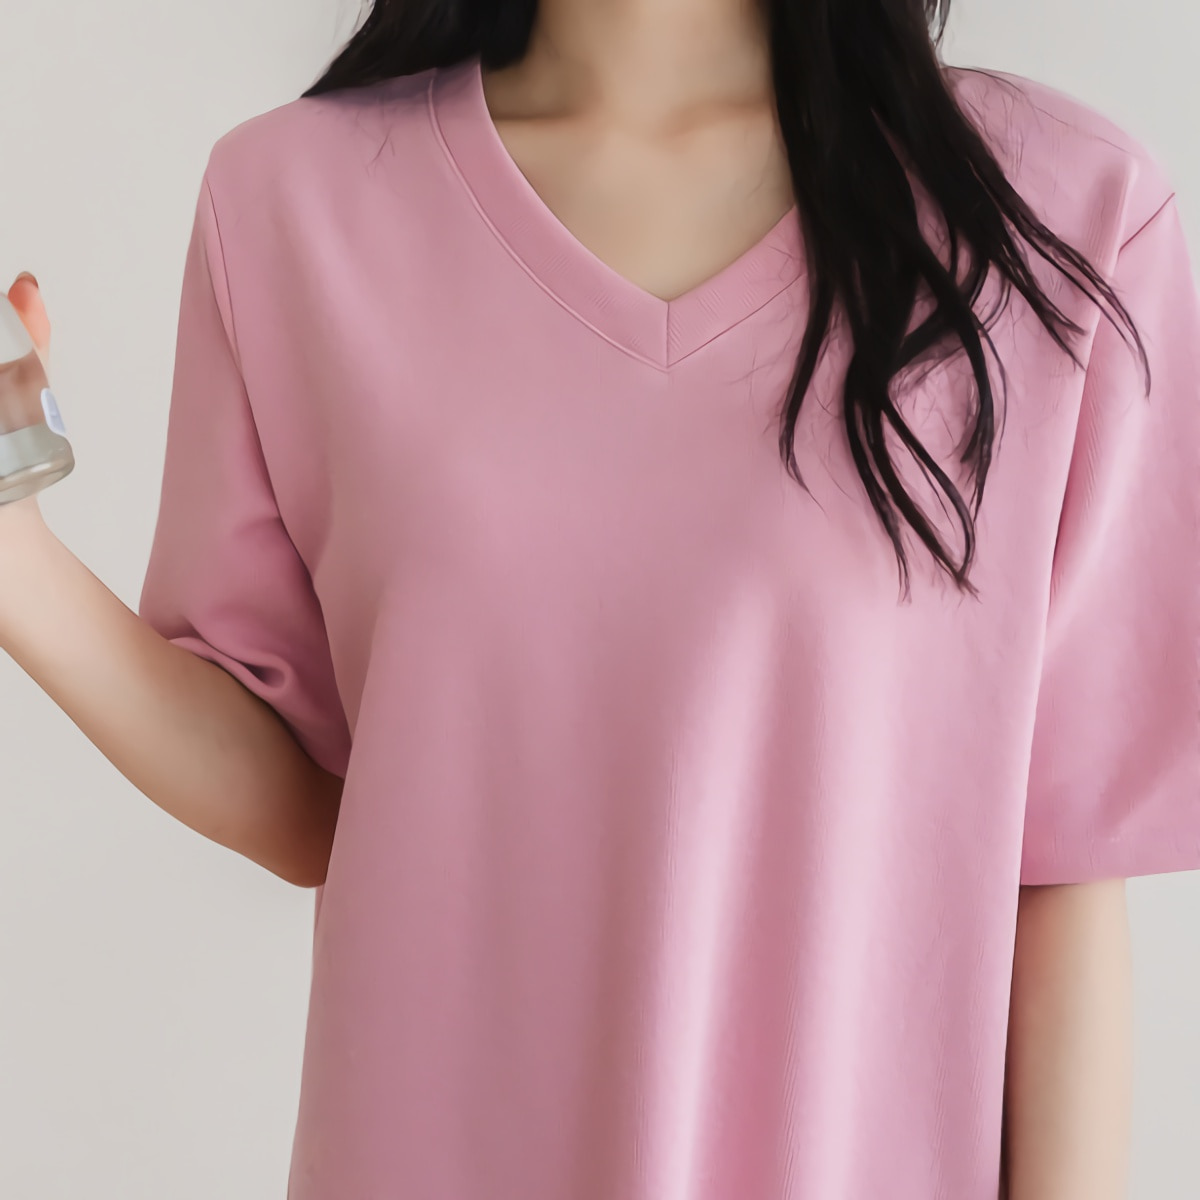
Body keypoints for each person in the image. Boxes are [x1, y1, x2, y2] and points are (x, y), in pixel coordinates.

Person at [3, 0, 1199, 1196]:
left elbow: (1061, 866)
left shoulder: (1067, 219)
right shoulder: (289, 203)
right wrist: (17, 564)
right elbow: (304, 791)